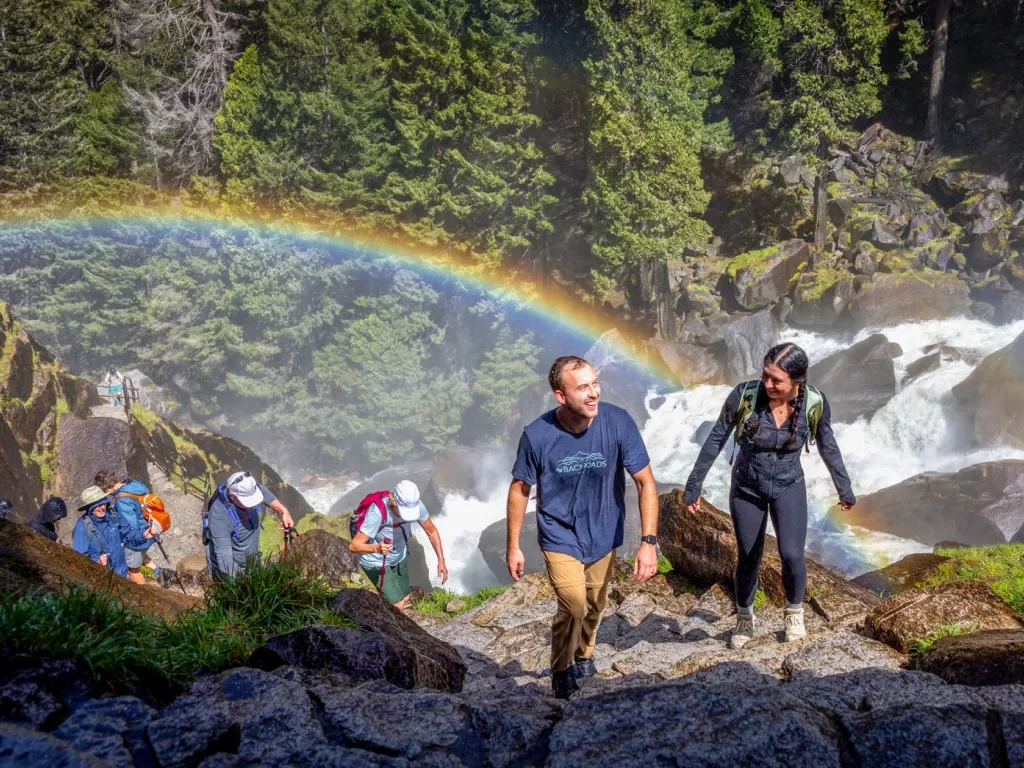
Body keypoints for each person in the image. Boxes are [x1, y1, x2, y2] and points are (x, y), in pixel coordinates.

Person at [682, 343, 857, 650]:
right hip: (747, 487)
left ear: (797, 382)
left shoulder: (814, 403)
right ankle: (744, 619)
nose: (768, 384)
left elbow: (828, 445)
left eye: (777, 380)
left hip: (789, 485)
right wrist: (694, 485)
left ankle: (793, 615)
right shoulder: (744, 396)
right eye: (765, 376)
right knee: (750, 555)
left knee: (791, 554)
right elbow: (716, 438)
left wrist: (844, 488)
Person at [507, 355, 659, 700]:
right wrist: (513, 545)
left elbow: (646, 482)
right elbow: (520, 489)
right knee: (574, 604)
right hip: (559, 532)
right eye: (583, 388)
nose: (593, 394)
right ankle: (561, 669)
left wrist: (648, 541)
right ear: (561, 396)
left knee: (595, 604)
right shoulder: (537, 435)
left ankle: (584, 653)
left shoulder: (619, 422)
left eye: (595, 384)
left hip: (604, 531)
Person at [348, 480, 448, 611]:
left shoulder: (417, 506)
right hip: (376, 561)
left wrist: (441, 560)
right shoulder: (377, 513)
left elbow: (431, 531)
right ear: (393, 502)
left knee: (405, 597)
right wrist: (376, 548)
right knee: (398, 604)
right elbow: (354, 546)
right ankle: (387, 629)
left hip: (399, 555)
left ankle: (385, 616)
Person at [204, 471, 294, 580]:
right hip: (232, 567)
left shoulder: (247, 487)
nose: (252, 504)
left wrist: (284, 511)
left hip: (251, 559)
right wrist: (245, 586)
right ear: (232, 496)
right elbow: (225, 561)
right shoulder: (219, 516)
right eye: (247, 501)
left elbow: (263, 492)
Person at [95, 470, 158, 585]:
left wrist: (124, 541)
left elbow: (131, 527)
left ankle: (144, 595)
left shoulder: (121, 500)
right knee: (138, 556)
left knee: (132, 568)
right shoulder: (132, 484)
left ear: (107, 488)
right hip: (150, 526)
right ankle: (158, 571)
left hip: (141, 535)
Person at [71, 486, 128, 577]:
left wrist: (143, 535)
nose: (102, 508)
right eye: (98, 505)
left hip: (122, 572)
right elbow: (79, 558)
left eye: (104, 503)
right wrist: (97, 562)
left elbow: (128, 533)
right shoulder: (82, 526)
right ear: (89, 508)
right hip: (101, 577)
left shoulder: (112, 516)